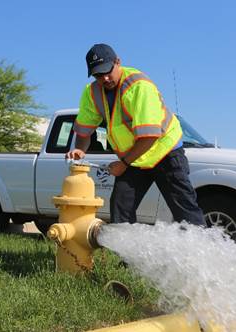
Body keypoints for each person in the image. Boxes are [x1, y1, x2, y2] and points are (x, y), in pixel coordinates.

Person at [66, 43, 206, 227]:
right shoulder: (92, 93)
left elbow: (149, 136)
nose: (105, 78)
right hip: (135, 158)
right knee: (121, 209)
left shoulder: (139, 86)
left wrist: (123, 164)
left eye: (108, 71)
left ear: (118, 62)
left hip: (165, 153)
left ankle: (203, 254)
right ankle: (126, 256)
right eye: (98, 75)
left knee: (186, 212)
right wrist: (79, 149)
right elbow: (84, 129)